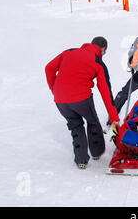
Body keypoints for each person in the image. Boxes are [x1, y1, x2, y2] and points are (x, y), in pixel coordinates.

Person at [45, 37, 120, 169]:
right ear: (103, 49)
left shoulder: (68, 52)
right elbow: (105, 92)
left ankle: (81, 160)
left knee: (75, 125)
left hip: (60, 99)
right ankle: (96, 152)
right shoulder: (98, 62)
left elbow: (49, 68)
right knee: (92, 121)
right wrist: (114, 116)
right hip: (81, 98)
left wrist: (54, 89)